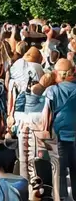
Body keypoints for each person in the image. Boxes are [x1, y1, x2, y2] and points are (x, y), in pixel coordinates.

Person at [42, 58, 76, 201]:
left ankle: (61, 197)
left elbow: (46, 114)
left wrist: (46, 131)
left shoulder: (52, 90)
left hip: (59, 136)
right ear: (72, 72)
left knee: (59, 171)